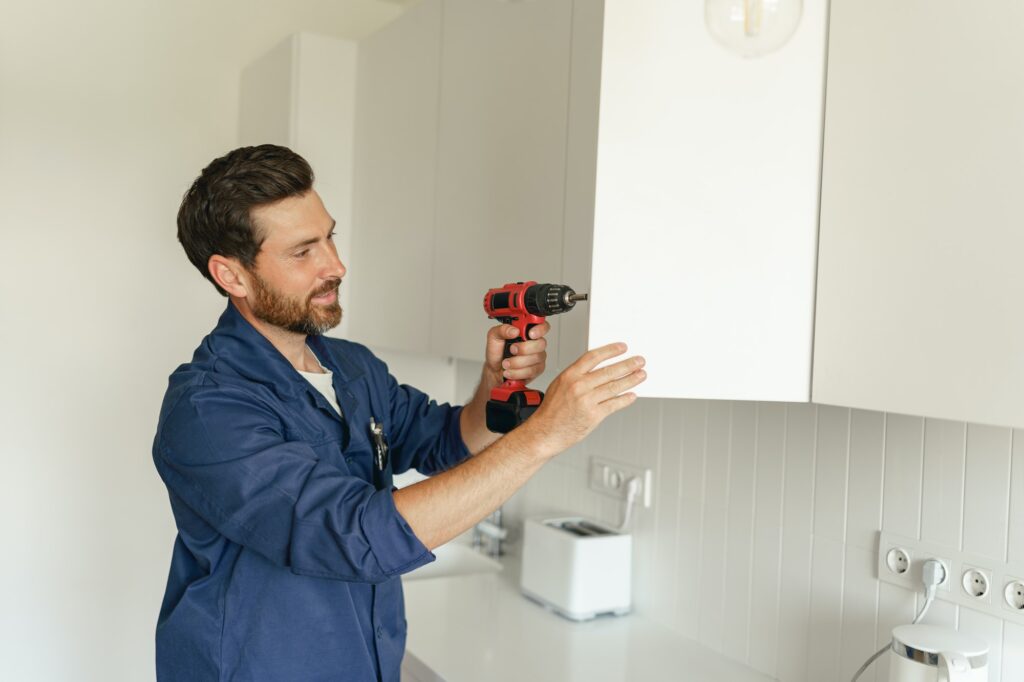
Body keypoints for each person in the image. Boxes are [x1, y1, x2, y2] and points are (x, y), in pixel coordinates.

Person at [152, 144, 647, 681]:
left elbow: (446, 440)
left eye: (330, 237)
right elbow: (356, 536)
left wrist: (494, 385)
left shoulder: (351, 366)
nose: (335, 266)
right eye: (303, 252)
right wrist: (545, 436)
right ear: (233, 277)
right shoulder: (207, 410)